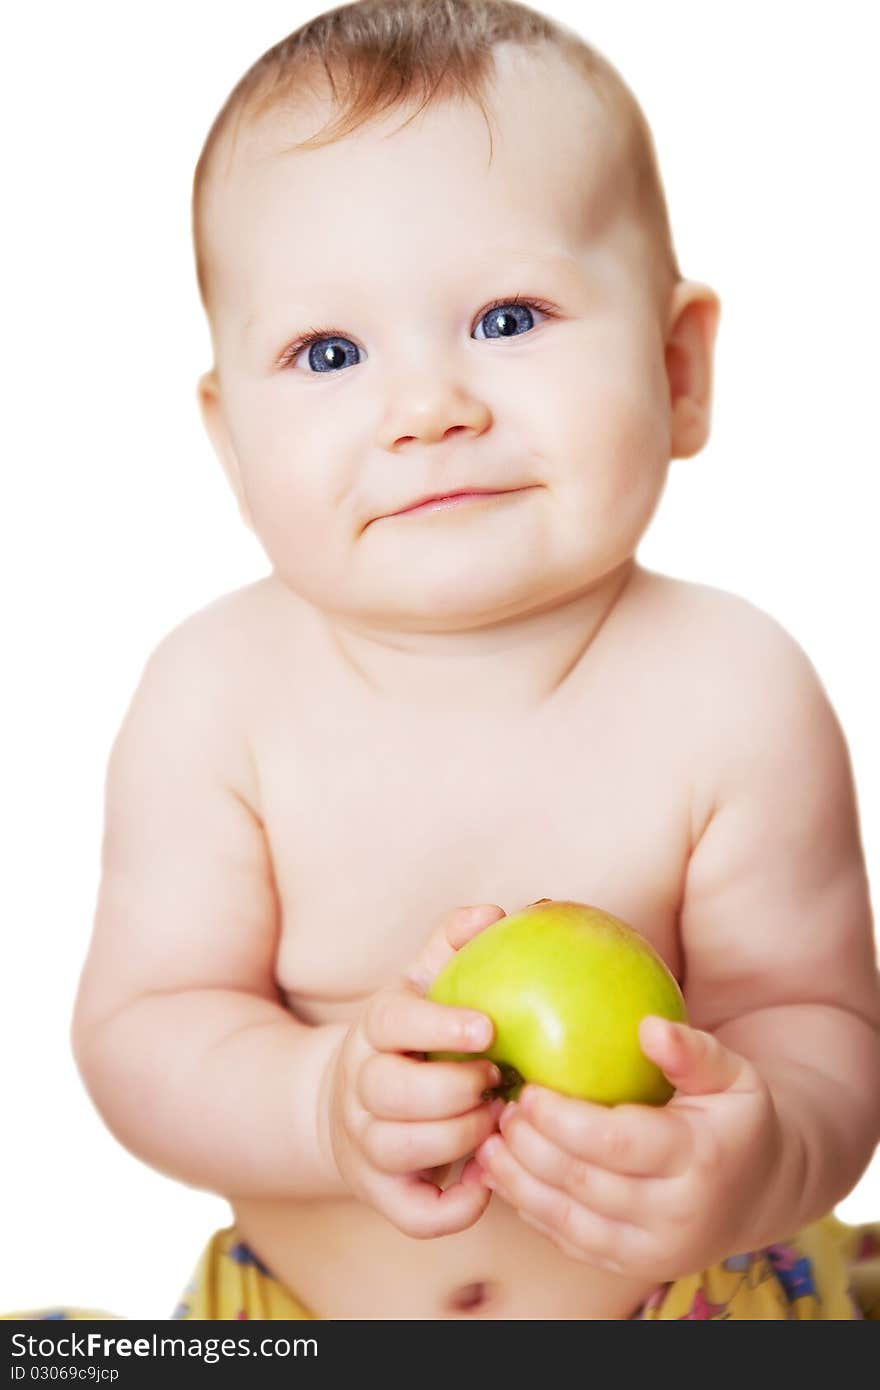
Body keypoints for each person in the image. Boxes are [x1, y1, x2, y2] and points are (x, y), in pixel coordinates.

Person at [50, 0, 880, 1319]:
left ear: (678, 370)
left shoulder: (736, 689)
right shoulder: (217, 697)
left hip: (704, 1305)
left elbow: (819, 1027)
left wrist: (764, 1153)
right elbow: (144, 1030)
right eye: (329, 352)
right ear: (229, 444)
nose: (430, 408)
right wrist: (321, 1104)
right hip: (303, 1326)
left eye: (508, 318)